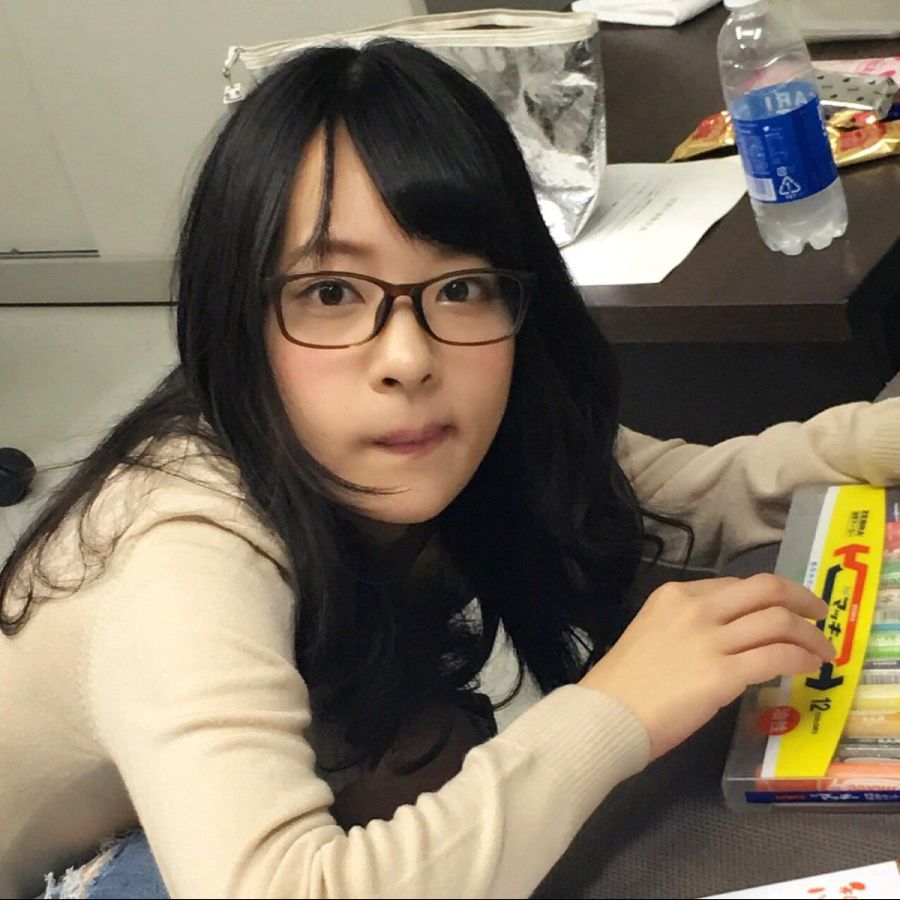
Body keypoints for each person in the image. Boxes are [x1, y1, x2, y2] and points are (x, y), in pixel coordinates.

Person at [1, 38, 897, 900]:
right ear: (235, 316)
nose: (408, 358)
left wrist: (875, 437)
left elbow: (696, 492)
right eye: (329, 292)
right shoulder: (179, 546)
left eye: (462, 287)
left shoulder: (484, 400)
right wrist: (615, 712)